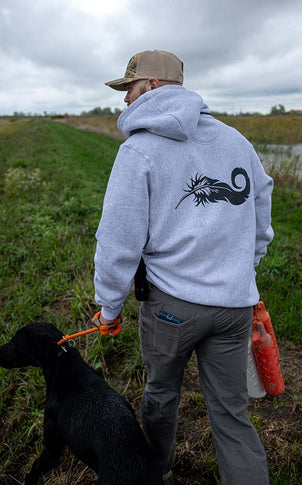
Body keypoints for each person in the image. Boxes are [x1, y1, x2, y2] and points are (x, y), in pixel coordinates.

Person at [93, 50, 273, 485]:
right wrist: (240, 271)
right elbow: (261, 219)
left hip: (171, 310)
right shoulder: (236, 142)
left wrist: (109, 309)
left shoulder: (138, 151)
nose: (125, 101)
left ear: (152, 86)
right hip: (234, 308)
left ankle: (157, 473)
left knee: (160, 396)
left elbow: (118, 243)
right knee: (232, 414)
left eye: (130, 89)